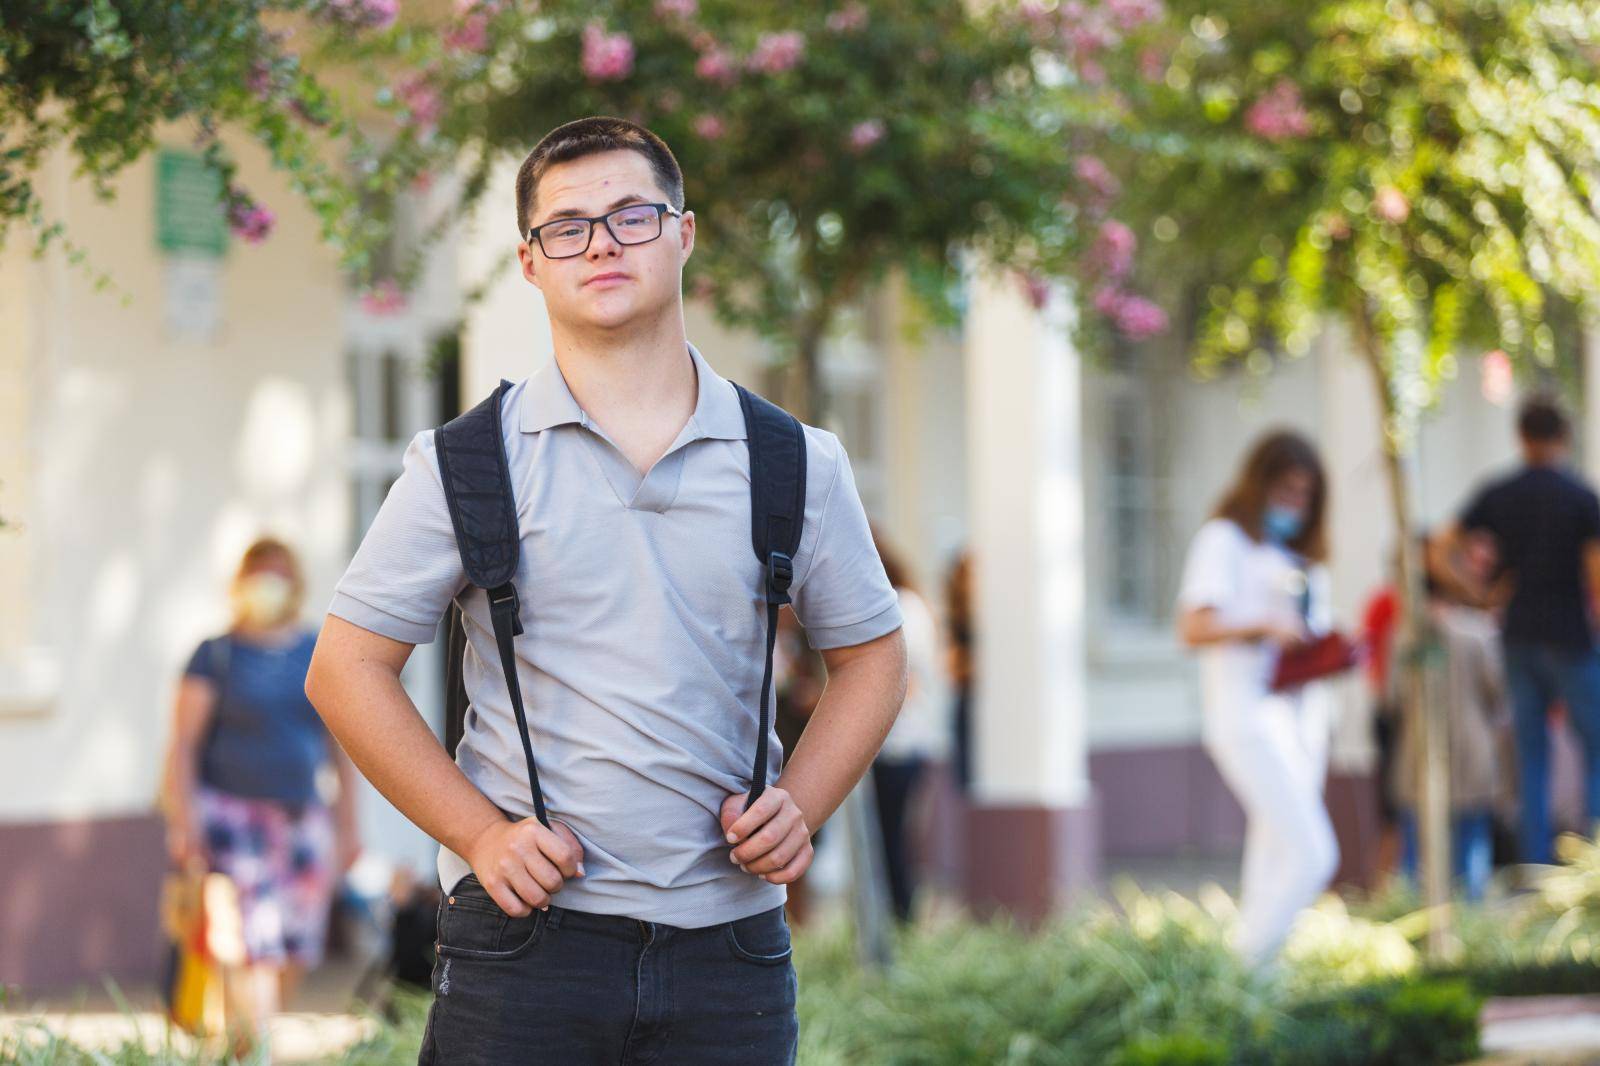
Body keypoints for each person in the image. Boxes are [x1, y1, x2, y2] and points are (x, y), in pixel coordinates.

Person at [305, 116, 909, 1065]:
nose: (601, 243)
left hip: (732, 951)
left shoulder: (794, 461)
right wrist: (479, 834)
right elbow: (345, 670)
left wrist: (805, 800)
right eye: (567, 226)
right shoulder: (465, 464)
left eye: (632, 215)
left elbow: (873, 655)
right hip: (522, 945)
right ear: (530, 262)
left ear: (684, 234)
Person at [160, 537, 361, 1058]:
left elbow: (343, 748)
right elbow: (183, 744)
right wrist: (185, 822)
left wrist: (349, 827)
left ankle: (247, 1041)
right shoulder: (216, 655)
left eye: (278, 574)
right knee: (250, 944)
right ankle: (259, 1051)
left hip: (300, 822)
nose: (267, 585)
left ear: (295, 584)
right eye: (257, 573)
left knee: (294, 945)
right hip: (230, 819)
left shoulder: (315, 651)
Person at [1176, 430, 1339, 965]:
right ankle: (1241, 973)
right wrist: (1263, 625)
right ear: (1260, 483)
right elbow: (1193, 626)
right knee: (1314, 853)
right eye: (1286, 489)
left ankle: (1263, 996)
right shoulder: (1225, 540)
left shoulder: (1295, 555)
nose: (1294, 504)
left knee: (1274, 861)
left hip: (1299, 722)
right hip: (1246, 718)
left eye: (1304, 495)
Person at [1430, 394, 1600, 866]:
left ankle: (1536, 869)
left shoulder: (1500, 493)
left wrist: (1477, 593)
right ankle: (1591, 868)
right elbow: (1596, 572)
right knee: (1595, 751)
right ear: (1563, 437)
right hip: (1571, 637)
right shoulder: (1581, 497)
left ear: (1521, 437)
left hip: (1519, 636)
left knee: (1531, 758)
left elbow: (1441, 546)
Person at [1393, 541, 1508, 902]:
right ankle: (1468, 935)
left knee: (1416, 857)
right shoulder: (1479, 632)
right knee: (1469, 855)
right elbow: (1498, 694)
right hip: (1471, 755)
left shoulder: (1405, 636)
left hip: (1420, 753)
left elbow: (1391, 698)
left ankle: (1411, 923)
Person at [867, 524, 949, 925]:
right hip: (905, 744)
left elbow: (906, 681)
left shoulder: (900, 607)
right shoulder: (911, 604)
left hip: (900, 744)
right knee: (892, 837)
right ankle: (898, 918)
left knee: (892, 838)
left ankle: (902, 919)